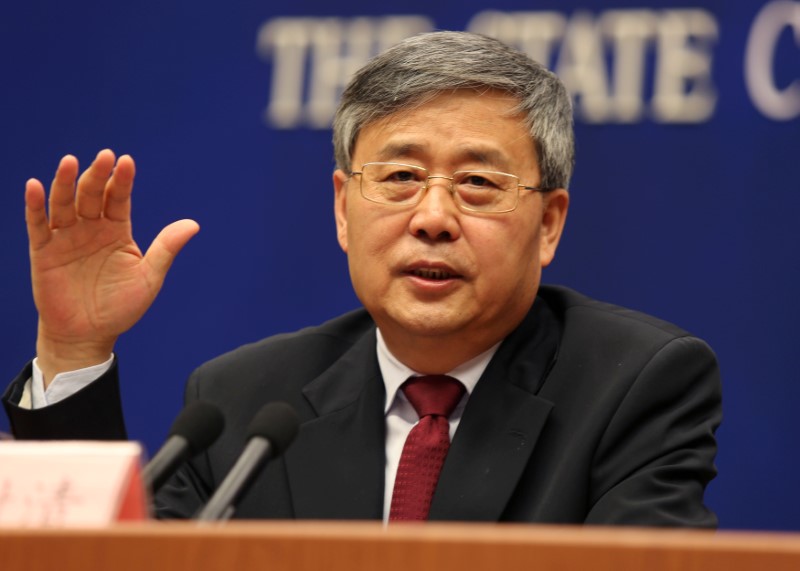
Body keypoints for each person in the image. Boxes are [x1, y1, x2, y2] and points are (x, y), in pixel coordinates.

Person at [2, 31, 721, 526]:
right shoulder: (245, 402)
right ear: (344, 208)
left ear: (550, 223)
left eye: (476, 182)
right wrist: (75, 350)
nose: (433, 216)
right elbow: (110, 562)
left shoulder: (635, 387)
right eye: (401, 177)